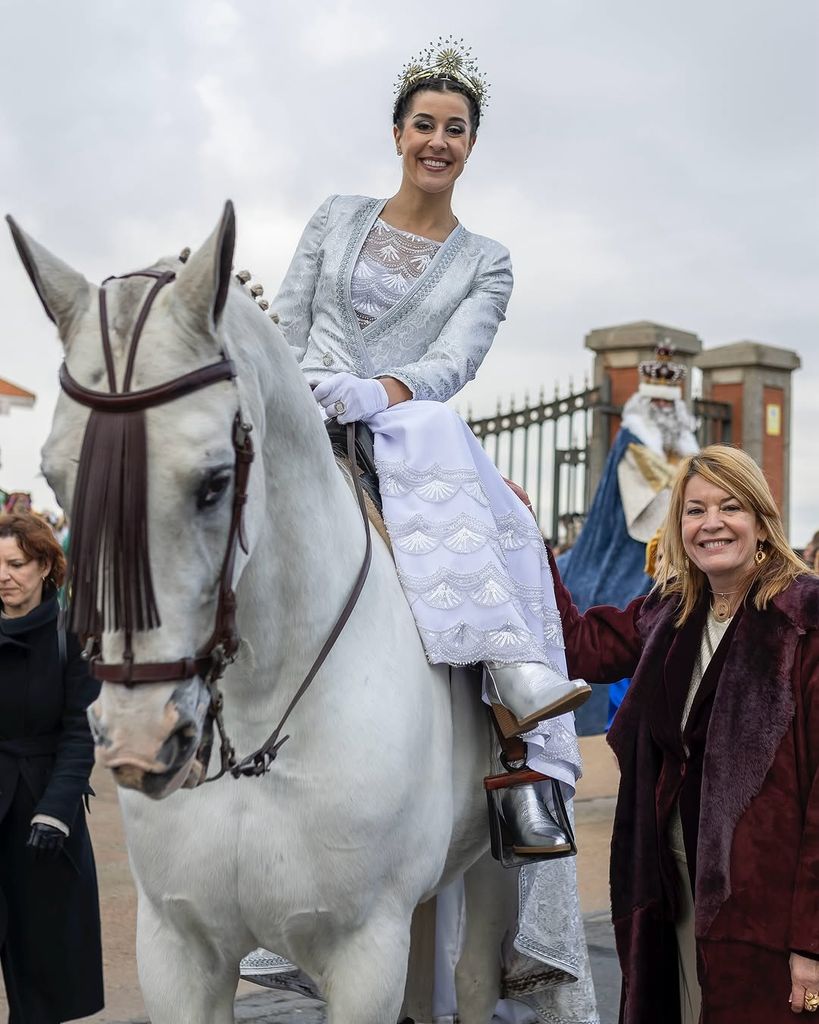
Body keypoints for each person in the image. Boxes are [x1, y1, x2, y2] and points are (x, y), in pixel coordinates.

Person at [241, 38, 600, 1024]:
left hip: (408, 423)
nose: (436, 141)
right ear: (397, 135)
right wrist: (313, 385)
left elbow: (453, 362)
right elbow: (297, 309)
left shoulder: (488, 260)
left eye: (454, 129)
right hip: (310, 405)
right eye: (422, 125)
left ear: (471, 144)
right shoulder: (334, 218)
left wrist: (384, 388)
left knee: (440, 433)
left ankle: (509, 694)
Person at [550, 444, 819, 1022]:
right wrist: (525, 542)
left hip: (764, 905)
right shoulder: (670, 612)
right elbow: (579, 645)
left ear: (762, 521)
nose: (712, 524)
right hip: (669, 879)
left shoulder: (805, 621)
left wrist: (811, 945)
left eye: (730, 507)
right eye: (695, 510)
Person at [558, 343, 699, 734]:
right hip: (638, 544)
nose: (666, 411)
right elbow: (639, 501)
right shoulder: (634, 439)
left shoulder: (688, 449)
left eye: (670, 404)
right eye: (659, 403)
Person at [0, 512, 103, 1022]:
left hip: (44, 822)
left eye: (15, 564)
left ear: (44, 565)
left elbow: (80, 733)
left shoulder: (72, 635)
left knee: (42, 989)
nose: (3, 576)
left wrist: (58, 810)